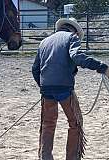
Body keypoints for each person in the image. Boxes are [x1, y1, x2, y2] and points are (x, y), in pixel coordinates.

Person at [32, 17, 109, 160]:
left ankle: (45, 157)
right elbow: (77, 57)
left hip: (46, 89)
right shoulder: (71, 38)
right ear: (74, 30)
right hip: (64, 88)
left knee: (48, 124)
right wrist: (101, 67)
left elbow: (35, 69)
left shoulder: (44, 42)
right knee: (75, 123)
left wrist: (43, 86)